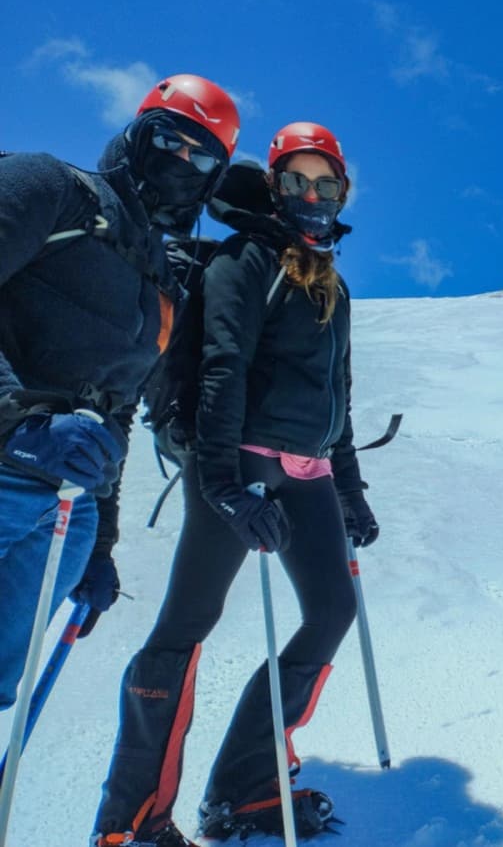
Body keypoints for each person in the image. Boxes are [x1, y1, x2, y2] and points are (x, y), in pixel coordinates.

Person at [92, 123, 378, 847]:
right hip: (237, 463)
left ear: (341, 193)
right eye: (296, 181)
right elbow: (222, 371)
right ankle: (130, 823)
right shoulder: (243, 263)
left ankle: (246, 791)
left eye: (325, 184)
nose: (311, 195)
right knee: (186, 628)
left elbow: (336, 399)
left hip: (306, 471)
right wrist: (223, 486)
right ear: (275, 187)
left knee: (331, 610)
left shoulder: (333, 287)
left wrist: (350, 490)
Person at [0, 74, 239, 711]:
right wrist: (12, 422)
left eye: (203, 157)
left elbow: (117, 411)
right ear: (136, 134)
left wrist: (100, 542)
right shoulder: (51, 188)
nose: (181, 163)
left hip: (64, 515)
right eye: (168, 139)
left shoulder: (165, 283)